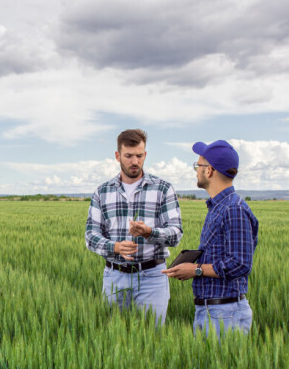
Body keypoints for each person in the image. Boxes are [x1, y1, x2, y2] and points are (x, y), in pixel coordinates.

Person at [85, 129, 183, 325]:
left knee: (152, 342)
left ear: (145, 154)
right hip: (114, 276)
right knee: (112, 339)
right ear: (117, 156)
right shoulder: (102, 191)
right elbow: (90, 235)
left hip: (153, 277)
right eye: (128, 156)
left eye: (139, 155)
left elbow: (176, 234)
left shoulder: (163, 188)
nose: (135, 161)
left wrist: (149, 232)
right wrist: (115, 247)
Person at [162, 140, 258, 338]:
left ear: (210, 171)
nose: (196, 170)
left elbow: (240, 264)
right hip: (213, 311)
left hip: (225, 313)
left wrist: (195, 269)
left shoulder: (233, 208)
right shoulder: (219, 207)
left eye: (198, 165)